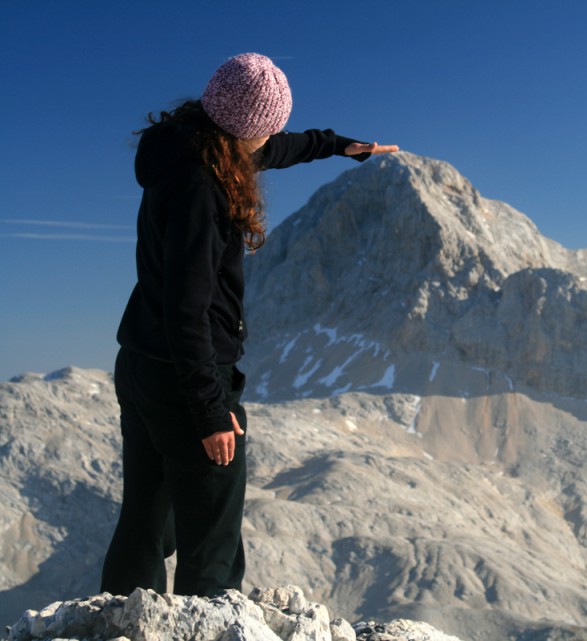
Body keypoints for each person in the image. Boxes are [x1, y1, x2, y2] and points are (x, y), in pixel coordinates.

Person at [100, 52, 398, 597]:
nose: (272, 140)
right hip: (186, 374)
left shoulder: (190, 145)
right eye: (268, 129)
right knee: (211, 538)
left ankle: (116, 623)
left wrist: (338, 145)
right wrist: (211, 412)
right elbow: (187, 310)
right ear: (246, 131)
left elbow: (279, 149)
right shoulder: (202, 190)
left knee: (145, 515)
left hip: (139, 362)